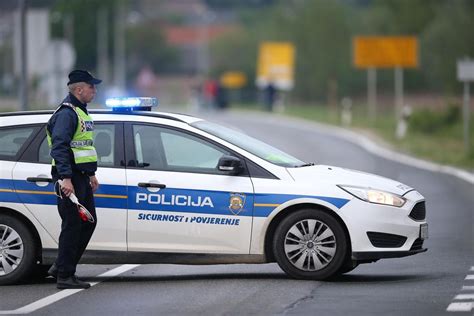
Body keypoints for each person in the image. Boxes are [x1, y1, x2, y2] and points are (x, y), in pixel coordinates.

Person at [46, 70, 101, 289]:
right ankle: (65, 276)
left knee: (88, 221)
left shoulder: (80, 112)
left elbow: (82, 146)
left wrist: (90, 174)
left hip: (81, 178)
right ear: (79, 89)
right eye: (91, 87)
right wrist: (66, 178)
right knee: (73, 225)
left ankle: (61, 266)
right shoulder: (67, 114)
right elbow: (59, 147)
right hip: (69, 180)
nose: (94, 90)